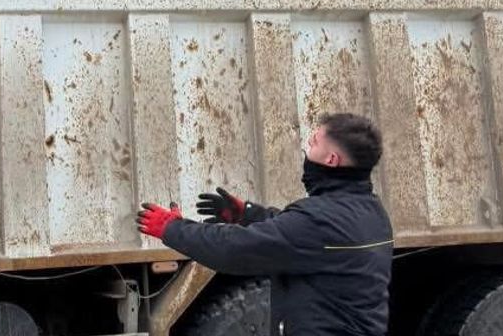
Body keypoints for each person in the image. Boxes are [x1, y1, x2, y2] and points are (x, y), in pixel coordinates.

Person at [137, 113, 393, 335]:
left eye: (315, 142)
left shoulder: (319, 220)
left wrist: (172, 228)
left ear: (331, 160)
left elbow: (235, 249)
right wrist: (248, 215)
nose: (307, 145)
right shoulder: (372, 212)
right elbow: (302, 236)